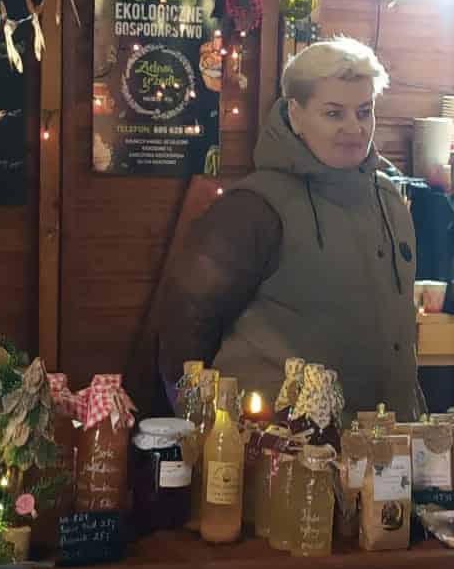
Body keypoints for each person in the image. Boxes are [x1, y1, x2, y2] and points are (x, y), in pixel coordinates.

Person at [153, 36, 423, 417]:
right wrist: (203, 433)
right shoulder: (253, 208)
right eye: (334, 114)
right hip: (277, 442)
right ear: (295, 115)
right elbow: (184, 332)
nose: (354, 128)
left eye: (364, 112)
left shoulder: (390, 198)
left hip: (388, 439)